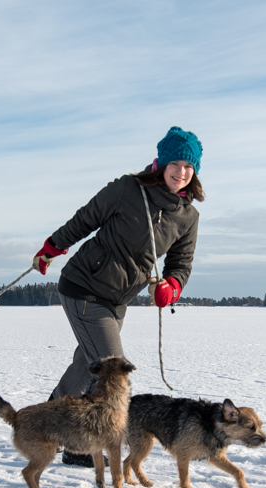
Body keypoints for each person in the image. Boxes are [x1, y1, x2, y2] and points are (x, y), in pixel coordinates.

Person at [33, 126, 204, 467]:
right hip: (84, 287)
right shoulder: (129, 189)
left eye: (189, 166)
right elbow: (86, 218)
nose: (181, 172)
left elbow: (181, 264)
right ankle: (80, 445)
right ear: (161, 163)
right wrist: (53, 246)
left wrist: (171, 286)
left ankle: (45, 422)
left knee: (87, 365)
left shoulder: (188, 216)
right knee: (114, 371)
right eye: (176, 164)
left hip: (117, 300)